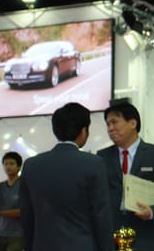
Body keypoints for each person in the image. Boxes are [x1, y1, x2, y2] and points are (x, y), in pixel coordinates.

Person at [19, 102, 113, 251]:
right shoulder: (94, 164)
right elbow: (101, 216)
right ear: (83, 131)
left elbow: (26, 216)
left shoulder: (31, 165)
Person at [97, 101, 154, 251]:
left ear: (133, 123)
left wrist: (153, 211)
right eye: (108, 124)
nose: (110, 129)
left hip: (144, 236)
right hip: (110, 238)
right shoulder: (102, 157)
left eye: (115, 122)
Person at [0, 151, 24, 251]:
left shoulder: (24, 186)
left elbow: (22, 212)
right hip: (0, 233)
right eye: (6, 164)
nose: (8, 167)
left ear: (19, 167)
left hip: (18, 235)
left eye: (12, 163)